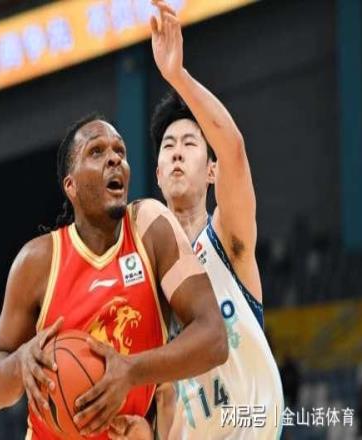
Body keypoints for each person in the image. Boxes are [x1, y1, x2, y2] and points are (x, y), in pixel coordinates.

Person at [0, 108, 229, 438]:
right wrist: (21, 362)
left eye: (120, 152)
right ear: (71, 185)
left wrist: (131, 371)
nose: (115, 159)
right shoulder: (37, 261)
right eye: (96, 152)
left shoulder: (151, 231)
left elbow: (214, 338)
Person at [109, 1, 284, 439]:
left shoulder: (227, 239)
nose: (176, 153)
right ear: (157, 174)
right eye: (168, 147)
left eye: (189, 144)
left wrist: (177, 76)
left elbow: (234, 149)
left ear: (210, 171)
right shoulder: (147, 282)